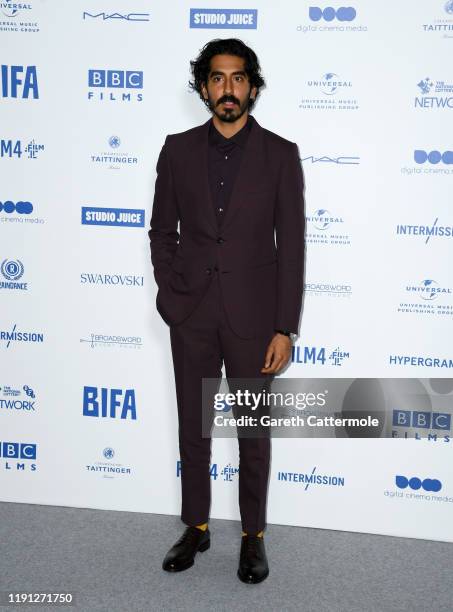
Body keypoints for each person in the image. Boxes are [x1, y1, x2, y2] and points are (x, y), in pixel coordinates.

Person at [148, 38, 305, 584]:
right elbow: (161, 231)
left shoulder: (281, 155)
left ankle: (253, 536)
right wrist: (171, 294)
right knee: (193, 429)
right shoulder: (177, 149)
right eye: (217, 78)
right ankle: (196, 526)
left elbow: (292, 249)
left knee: (252, 433)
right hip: (191, 315)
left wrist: (284, 327)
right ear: (203, 87)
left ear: (253, 88)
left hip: (254, 320)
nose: (228, 89)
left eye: (238, 79)